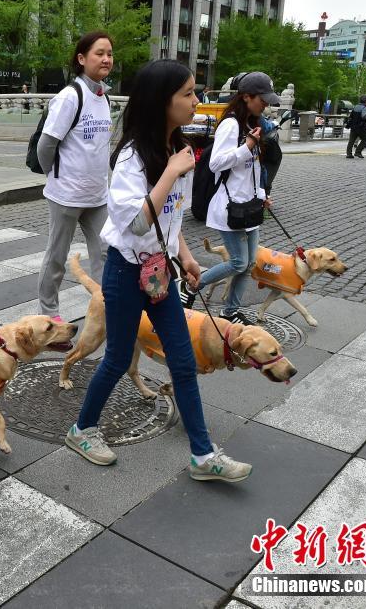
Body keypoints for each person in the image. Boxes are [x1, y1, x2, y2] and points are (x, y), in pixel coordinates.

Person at [66, 59, 252, 483]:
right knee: (115, 360)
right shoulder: (133, 157)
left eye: (195, 92)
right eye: (187, 94)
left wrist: (185, 255)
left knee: (183, 363)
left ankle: (203, 456)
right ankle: (82, 430)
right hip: (125, 271)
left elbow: (171, 217)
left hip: (160, 273)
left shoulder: (179, 149)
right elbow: (136, 223)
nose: (196, 101)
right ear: (160, 102)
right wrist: (169, 173)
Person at [183, 72, 278, 325]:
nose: (266, 104)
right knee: (237, 262)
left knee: (248, 264)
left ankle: (230, 311)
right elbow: (216, 163)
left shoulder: (250, 124)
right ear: (246, 97)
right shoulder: (231, 124)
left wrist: (261, 195)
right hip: (230, 206)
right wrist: (245, 147)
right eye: (262, 99)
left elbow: (253, 169)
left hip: (250, 206)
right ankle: (192, 285)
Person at [36, 31, 114, 321]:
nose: (106, 59)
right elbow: (47, 145)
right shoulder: (70, 97)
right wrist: (55, 177)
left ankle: (106, 308)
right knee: (56, 257)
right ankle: (49, 315)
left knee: (107, 253)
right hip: (67, 196)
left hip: (98, 196)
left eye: (109, 54)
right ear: (82, 59)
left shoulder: (105, 98)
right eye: (99, 53)